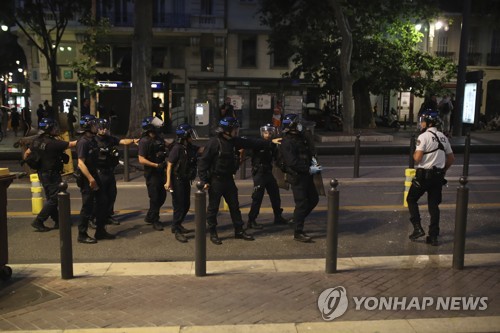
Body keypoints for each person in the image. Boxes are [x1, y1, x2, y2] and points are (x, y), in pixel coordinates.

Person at [198, 117, 268, 245]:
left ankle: (239, 231)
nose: (237, 131)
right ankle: (213, 232)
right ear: (227, 130)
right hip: (216, 181)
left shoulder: (233, 141)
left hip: (229, 180)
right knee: (213, 208)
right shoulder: (214, 143)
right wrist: (204, 180)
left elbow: (251, 142)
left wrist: (269, 142)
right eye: (235, 129)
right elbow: (203, 162)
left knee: (235, 206)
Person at [407, 109, 455, 246]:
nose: (421, 123)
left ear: (428, 123)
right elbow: (451, 158)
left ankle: (417, 228)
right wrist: (443, 170)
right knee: (434, 206)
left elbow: (417, 158)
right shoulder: (443, 137)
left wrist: (415, 153)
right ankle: (433, 236)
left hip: (424, 176)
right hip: (438, 177)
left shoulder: (424, 137)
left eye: (423, 120)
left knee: (411, 199)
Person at [24, 118, 76, 231]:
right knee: (54, 199)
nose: (56, 129)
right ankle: (39, 220)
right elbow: (71, 144)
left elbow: (27, 153)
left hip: (42, 173)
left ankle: (57, 220)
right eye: (54, 127)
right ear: (49, 129)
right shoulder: (53, 143)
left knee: (50, 198)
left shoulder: (37, 140)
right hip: (51, 174)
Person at [280, 114, 321, 243]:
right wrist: (308, 169)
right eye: (298, 123)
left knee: (314, 199)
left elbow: (309, 151)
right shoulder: (287, 142)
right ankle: (298, 231)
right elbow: (292, 162)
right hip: (297, 176)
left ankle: (296, 220)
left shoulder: (301, 137)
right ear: (292, 126)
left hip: (307, 174)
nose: (301, 125)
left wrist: (313, 161)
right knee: (301, 203)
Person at [76, 114, 116, 244]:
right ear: (88, 126)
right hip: (88, 178)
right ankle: (82, 234)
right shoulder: (83, 142)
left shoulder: (92, 139)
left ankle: (100, 230)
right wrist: (90, 179)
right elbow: (80, 163)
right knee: (87, 207)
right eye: (94, 125)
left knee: (102, 202)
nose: (97, 127)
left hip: (95, 175)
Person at [91, 118, 138, 228]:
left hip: (110, 172)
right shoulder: (93, 140)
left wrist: (134, 140)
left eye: (106, 128)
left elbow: (122, 141)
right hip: (99, 172)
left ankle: (108, 216)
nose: (104, 130)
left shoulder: (110, 139)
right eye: (102, 128)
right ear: (97, 128)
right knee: (98, 197)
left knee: (111, 195)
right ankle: (93, 218)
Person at [247, 123, 288, 229]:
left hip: (268, 172)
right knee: (257, 197)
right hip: (259, 173)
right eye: (266, 132)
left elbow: (276, 158)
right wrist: (271, 142)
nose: (268, 134)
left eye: (270, 132)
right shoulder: (258, 143)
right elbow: (261, 144)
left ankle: (278, 216)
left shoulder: (272, 145)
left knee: (275, 194)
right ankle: (251, 220)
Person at [165, 123, 201, 243]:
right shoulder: (177, 148)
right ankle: (176, 230)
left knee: (186, 205)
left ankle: (178, 225)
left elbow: (201, 149)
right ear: (185, 136)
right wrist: (168, 181)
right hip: (177, 180)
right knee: (179, 206)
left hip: (185, 180)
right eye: (190, 134)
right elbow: (169, 165)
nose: (192, 136)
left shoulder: (189, 146)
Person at [138, 116, 169, 232]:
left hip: (161, 172)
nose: (159, 125)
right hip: (152, 173)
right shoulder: (144, 141)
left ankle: (150, 216)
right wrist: (155, 165)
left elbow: (167, 145)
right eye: (156, 124)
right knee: (155, 197)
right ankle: (155, 219)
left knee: (162, 196)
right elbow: (141, 159)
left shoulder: (159, 138)